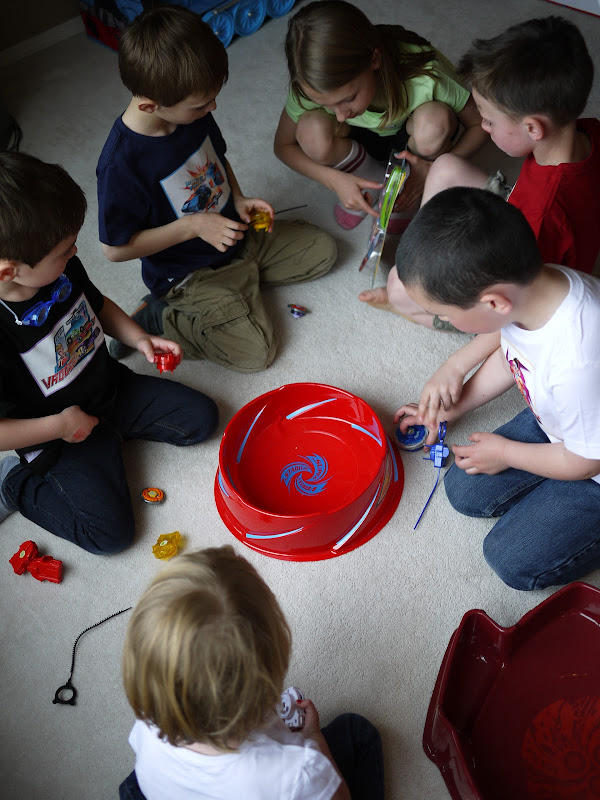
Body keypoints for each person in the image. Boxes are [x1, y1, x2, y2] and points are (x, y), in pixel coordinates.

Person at [97, 6, 336, 374]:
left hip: (238, 237)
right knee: (255, 353)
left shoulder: (191, 113)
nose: (212, 107)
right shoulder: (121, 165)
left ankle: (241, 286)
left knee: (323, 251)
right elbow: (114, 250)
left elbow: (216, 158)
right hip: (191, 273)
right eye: (200, 105)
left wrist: (238, 198)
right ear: (150, 105)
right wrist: (193, 226)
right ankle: (160, 317)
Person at [0, 151, 218, 554]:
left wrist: (139, 339)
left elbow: (97, 306)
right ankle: (14, 484)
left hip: (112, 390)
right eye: (64, 251)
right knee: (109, 537)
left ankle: (113, 437)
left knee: (202, 419)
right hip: (58, 436)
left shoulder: (63, 269)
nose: (74, 253)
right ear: (9, 271)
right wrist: (60, 426)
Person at [394, 187, 600, 591]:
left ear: (493, 303)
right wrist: (455, 394)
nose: (445, 322)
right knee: (463, 489)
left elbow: (584, 461)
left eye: (445, 315)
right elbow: (513, 354)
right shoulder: (533, 285)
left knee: (510, 559)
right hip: (566, 421)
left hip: (588, 458)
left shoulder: (578, 361)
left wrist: (506, 453)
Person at [360, 16, 599, 335]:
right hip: (522, 215)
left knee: (400, 287)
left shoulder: (544, 216)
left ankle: (417, 311)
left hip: (522, 261)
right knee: (445, 166)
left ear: (533, 128)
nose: (483, 127)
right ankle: (428, 255)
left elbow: (519, 304)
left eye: (489, 121)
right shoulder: (586, 131)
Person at [118, 546, 384, 800]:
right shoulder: (297, 774)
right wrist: (313, 739)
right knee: (357, 732)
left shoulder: (147, 722)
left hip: (167, 785)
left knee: (132, 788)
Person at [274, 0, 486, 231]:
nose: (341, 116)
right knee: (310, 130)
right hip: (359, 140)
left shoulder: (426, 74)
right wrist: (333, 179)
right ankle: (371, 178)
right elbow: (283, 146)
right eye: (326, 105)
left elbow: (478, 124)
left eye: (348, 98)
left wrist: (434, 169)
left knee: (435, 122)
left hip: (412, 139)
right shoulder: (309, 85)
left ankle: (408, 181)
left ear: (374, 60)